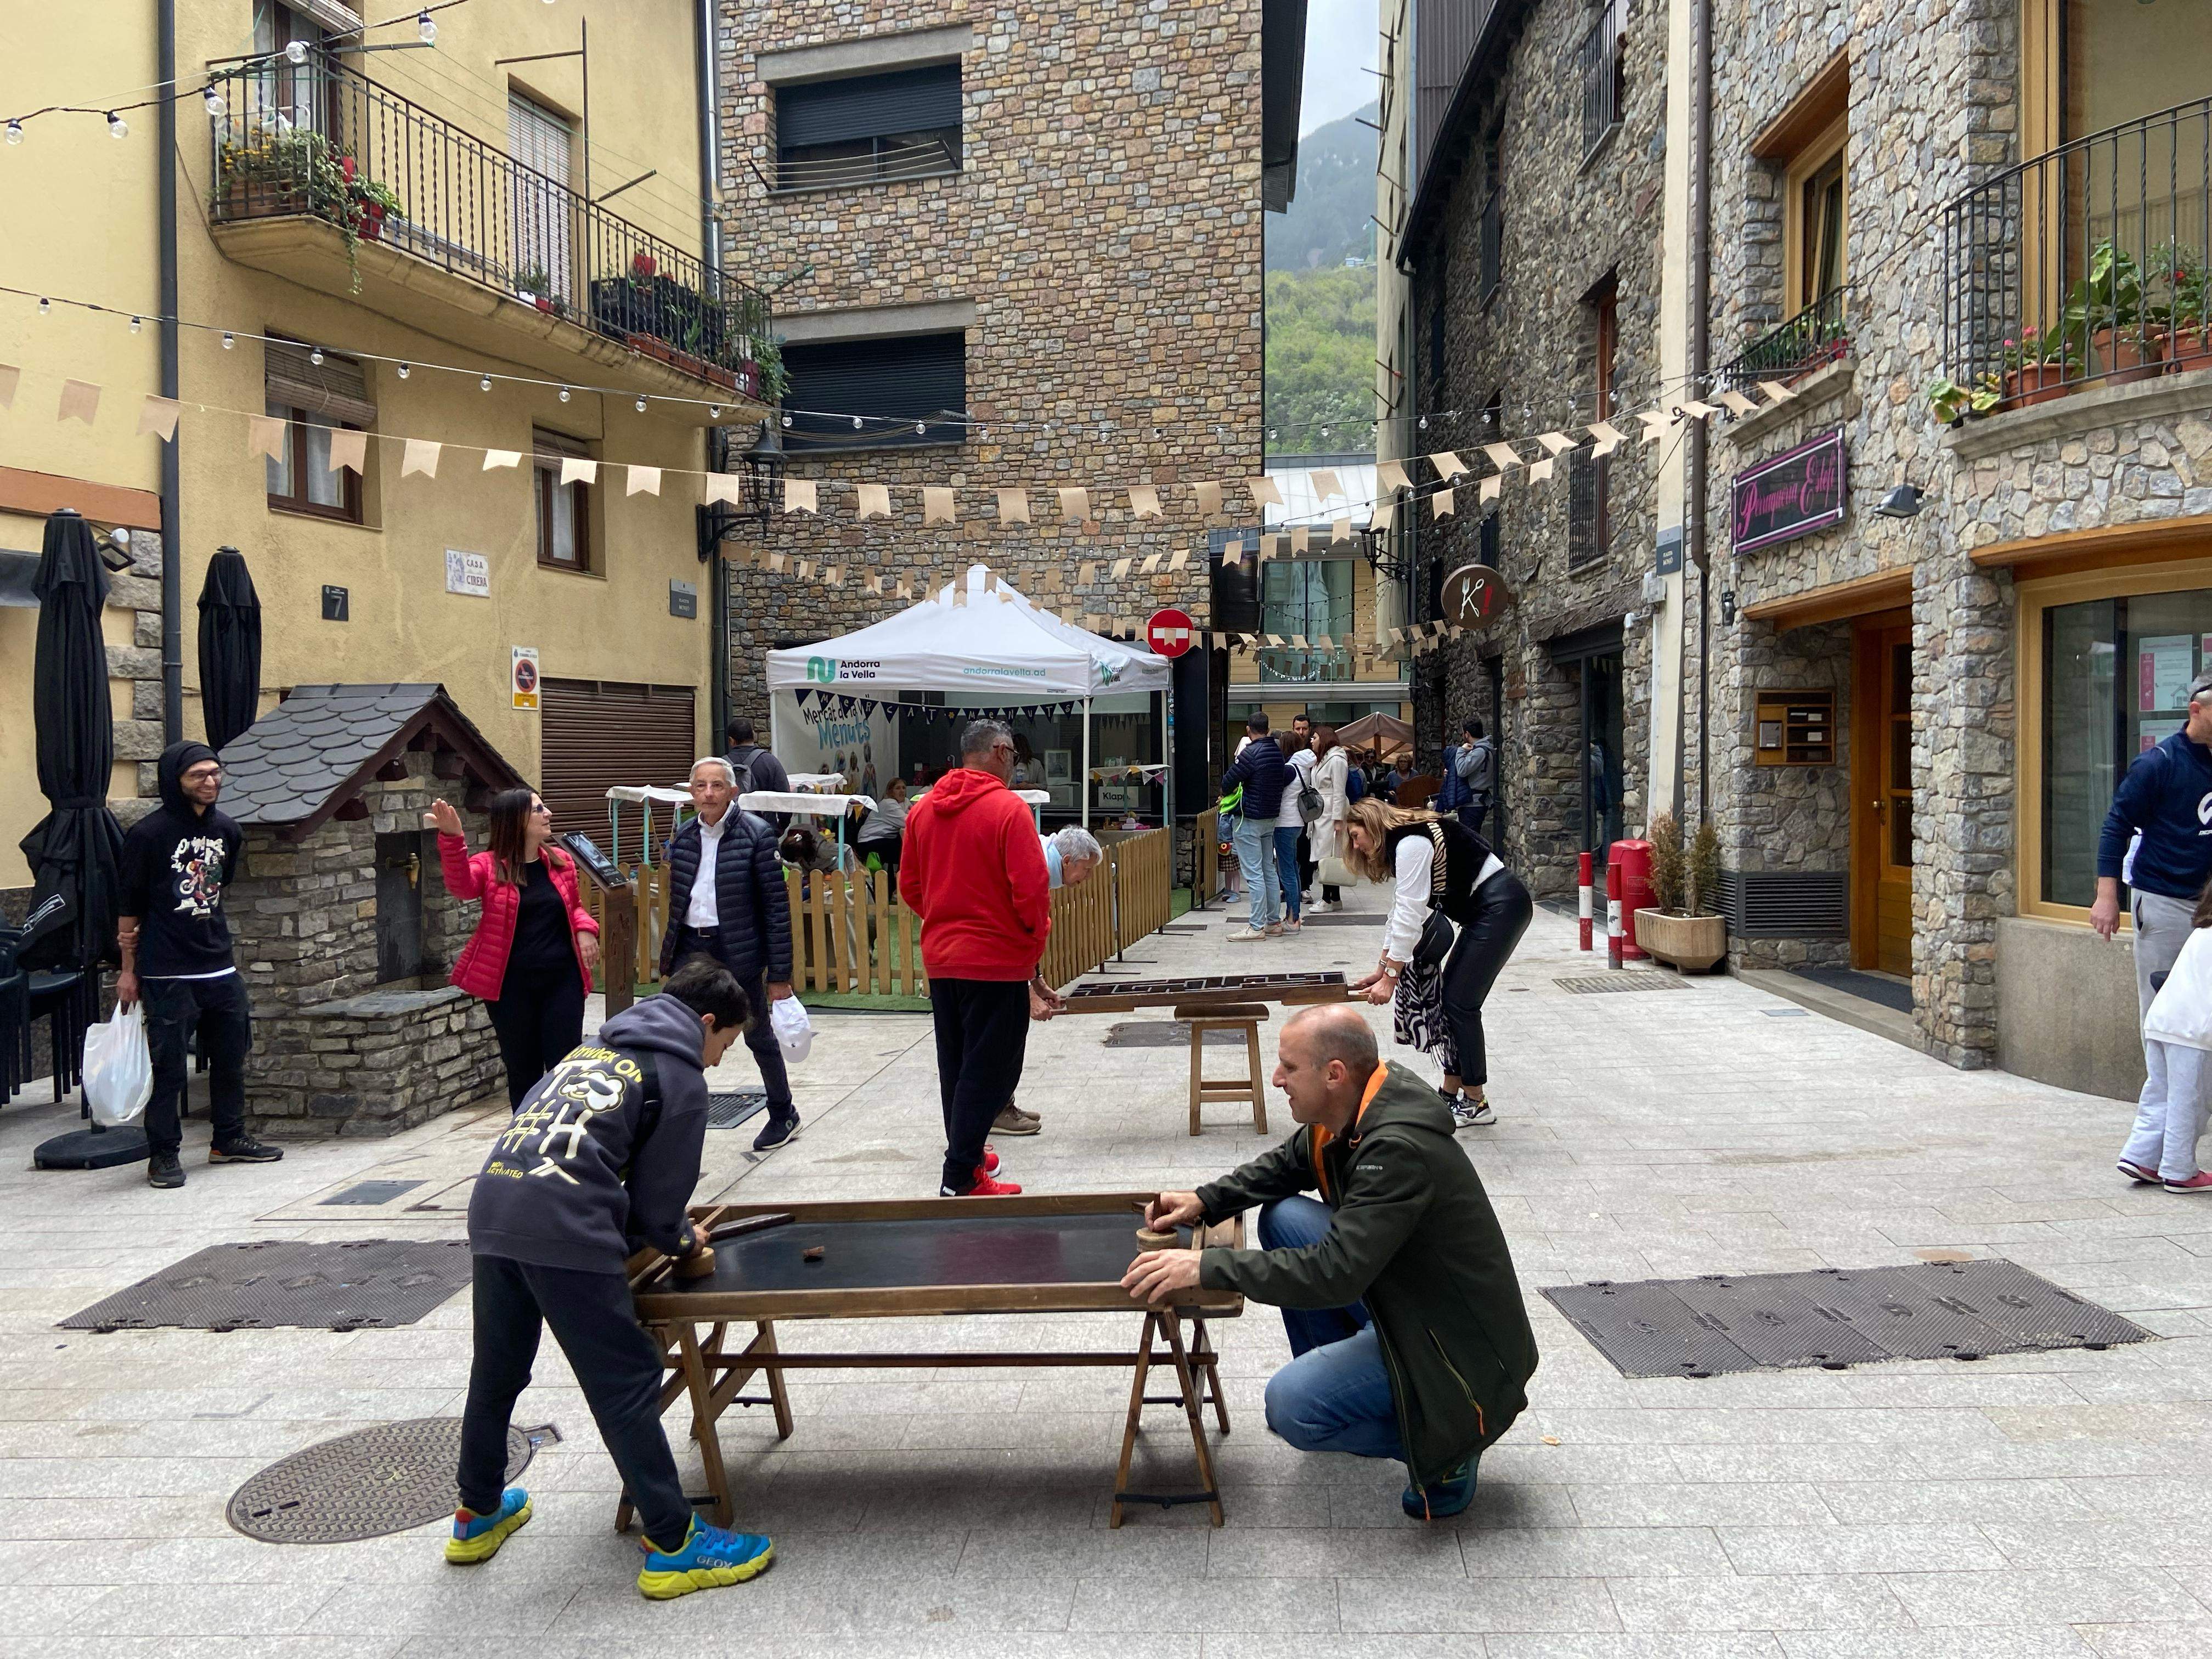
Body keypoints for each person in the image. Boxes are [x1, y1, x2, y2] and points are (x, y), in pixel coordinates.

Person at [1121, 1004, 1537, 1520]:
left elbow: (1334, 1272)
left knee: (1291, 1405)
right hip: (1405, 1299)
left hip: (1456, 1350)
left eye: (1289, 1068)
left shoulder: (1396, 1149)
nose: (1276, 1079)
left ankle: (1445, 1443)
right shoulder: (1355, 1106)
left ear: (1334, 1074)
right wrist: (1206, 1199)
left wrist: (1206, 1268)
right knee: (1285, 1217)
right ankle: (1351, 1377)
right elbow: (1286, 1165)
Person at [447, 957, 776, 1599]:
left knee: (498, 1371)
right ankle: (675, 1543)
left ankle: (477, 1511)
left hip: (495, 1207)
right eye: (725, 1045)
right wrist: (683, 1239)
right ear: (706, 1023)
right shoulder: (679, 1076)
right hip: (564, 1225)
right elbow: (659, 1212)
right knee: (626, 1378)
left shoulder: (591, 1051)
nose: (718, 1062)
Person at [117, 741, 284, 1189]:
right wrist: (128, 968)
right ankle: (163, 1155)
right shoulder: (148, 835)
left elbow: (217, 887)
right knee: (170, 1067)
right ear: (175, 781)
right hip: (166, 969)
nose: (210, 783)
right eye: (198, 776)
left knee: (231, 1057)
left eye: (215, 773)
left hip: (218, 964)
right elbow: (129, 904)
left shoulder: (228, 829)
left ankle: (228, 1139)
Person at [902, 719, 1058, 1196]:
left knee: (957, 1061)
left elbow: (910, 885)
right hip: (995, 959)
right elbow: (1031, 892)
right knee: (992, 1069)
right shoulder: (1008, 811)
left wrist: (948, 917)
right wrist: (1031, 945)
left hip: (945, 957)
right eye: (1012, 754)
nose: (1014, 764)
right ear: (997, 751)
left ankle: (965, 1151)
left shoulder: (922, 811)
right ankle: (961, 1175)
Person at [1341, 797, 1532, 1130]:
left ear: (1372, 825)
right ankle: (1450, 1092)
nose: (1355, 846)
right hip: (1489, 910)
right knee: (1452, 1001)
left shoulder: (1412, 843)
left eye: (1356, 836)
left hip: (1501, 906)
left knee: (1461, 1004)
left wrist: (1391, 977)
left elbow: (1410, 913)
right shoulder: (1409, 841)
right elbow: (1400, 910)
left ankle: (1476, 1102)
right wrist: (1382, 966)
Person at [430, 790, 602, 1110]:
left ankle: (563, 1139)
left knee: (565, 1068)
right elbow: (461, 886)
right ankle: (524, 1146)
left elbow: (574, 907)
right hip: (511, 988)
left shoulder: (560, 863)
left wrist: (584, 929)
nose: (548, 813)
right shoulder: (488, 866)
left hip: (561, 982)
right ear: (518, 820)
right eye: (539, 809)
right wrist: (453, 838)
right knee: (523, 1072)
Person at [661, 758, 799, 1155]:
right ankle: (675, 1116)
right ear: (691, 792)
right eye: (701, 786)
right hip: (692, 947)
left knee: (757, 1033)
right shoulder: (684, 836)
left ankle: (782, 1111)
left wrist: (780, 975)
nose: (708, 794)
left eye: (717, 786)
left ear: (733, 792)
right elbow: (678, 902)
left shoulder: (757, 836)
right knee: (681, 1035)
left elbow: (776, 909)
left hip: (738, 947)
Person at [2092, 673, 2212, 1015]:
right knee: (2164, 1005)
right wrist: (2106, 897)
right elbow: (2116, 827)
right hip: (2165, 901)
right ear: (2196, 710)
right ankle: (2160, 1073)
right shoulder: (2159, 763)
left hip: (2210, 902)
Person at [2120, 876, 2212, 1193]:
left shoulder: (2202, 930)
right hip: (2195, 1033)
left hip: (2163, 1021)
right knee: (2192, 1100)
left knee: (2160, 1091)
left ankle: (2141, 1155)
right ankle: (2179, 1170)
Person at [1220, 713, 1290, 943]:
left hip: (1249, 818)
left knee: (1253, 874)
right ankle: (1273, 922)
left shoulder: (1249, 754)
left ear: (1249, 729)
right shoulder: (1278, 754)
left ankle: (1256, 926)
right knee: (1269, 871)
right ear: (1268, 729)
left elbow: (1227, 782)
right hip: (1270, 818)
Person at [1308, 724, 1352, 913]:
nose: (1312, 740)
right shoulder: (1323, 760)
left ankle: (1327, 899)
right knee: (1327, 854)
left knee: (1328, 855)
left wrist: (1338, 818)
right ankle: (1335, 898)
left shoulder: (1336, 760)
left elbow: (1339, 790)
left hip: (1330, 813)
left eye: (1315, 737)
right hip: (1321, 811)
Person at [1275, 731, 1315, 933]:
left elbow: (1275, 790)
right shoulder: (1304, 766)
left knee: (1287, 871)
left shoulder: (1288, 769)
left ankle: (1293, 918)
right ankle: (1295, 915)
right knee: (1293, 867)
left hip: (1284, 823)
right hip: (1298, 821)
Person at [1444, 719, 1497, 839]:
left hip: (1473, 803)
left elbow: (1463, 770)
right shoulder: (1481, 750)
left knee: (1469, 840)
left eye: (1464, 734)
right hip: (1473, 802)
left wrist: (1461, 751)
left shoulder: (1479, 751)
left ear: (1467, 734)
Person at [857, 776, 911, 889]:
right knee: (907, 852)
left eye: (904, 788)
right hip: (870, 840)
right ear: (891, 792)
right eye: (898, 788)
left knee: (902, 846)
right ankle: (898, 885)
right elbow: (908, 821)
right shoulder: (888, 804)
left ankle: (894, 884)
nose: (902, 791)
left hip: (884, 839)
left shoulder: (903, 803)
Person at [1042, 823, 1105, 889]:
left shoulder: (1042, 861)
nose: (1089, 876)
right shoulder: (1036, 876)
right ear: (1067, 861)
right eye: (1087, 869)